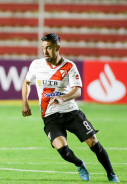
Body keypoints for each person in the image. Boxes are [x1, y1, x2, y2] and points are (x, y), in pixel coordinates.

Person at [21, 33, 119, 182]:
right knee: (62, 150)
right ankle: (79, 164)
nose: (45, 52)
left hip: (71, 113)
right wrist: (25, 102)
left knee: (94, 143)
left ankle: (111, 174)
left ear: (57, 47)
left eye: (48, 48)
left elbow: (77, 90)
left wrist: (62, 98)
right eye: (43, 48)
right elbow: (26, 82)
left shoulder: (69, 66)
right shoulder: (36, 65)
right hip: (50, 116)